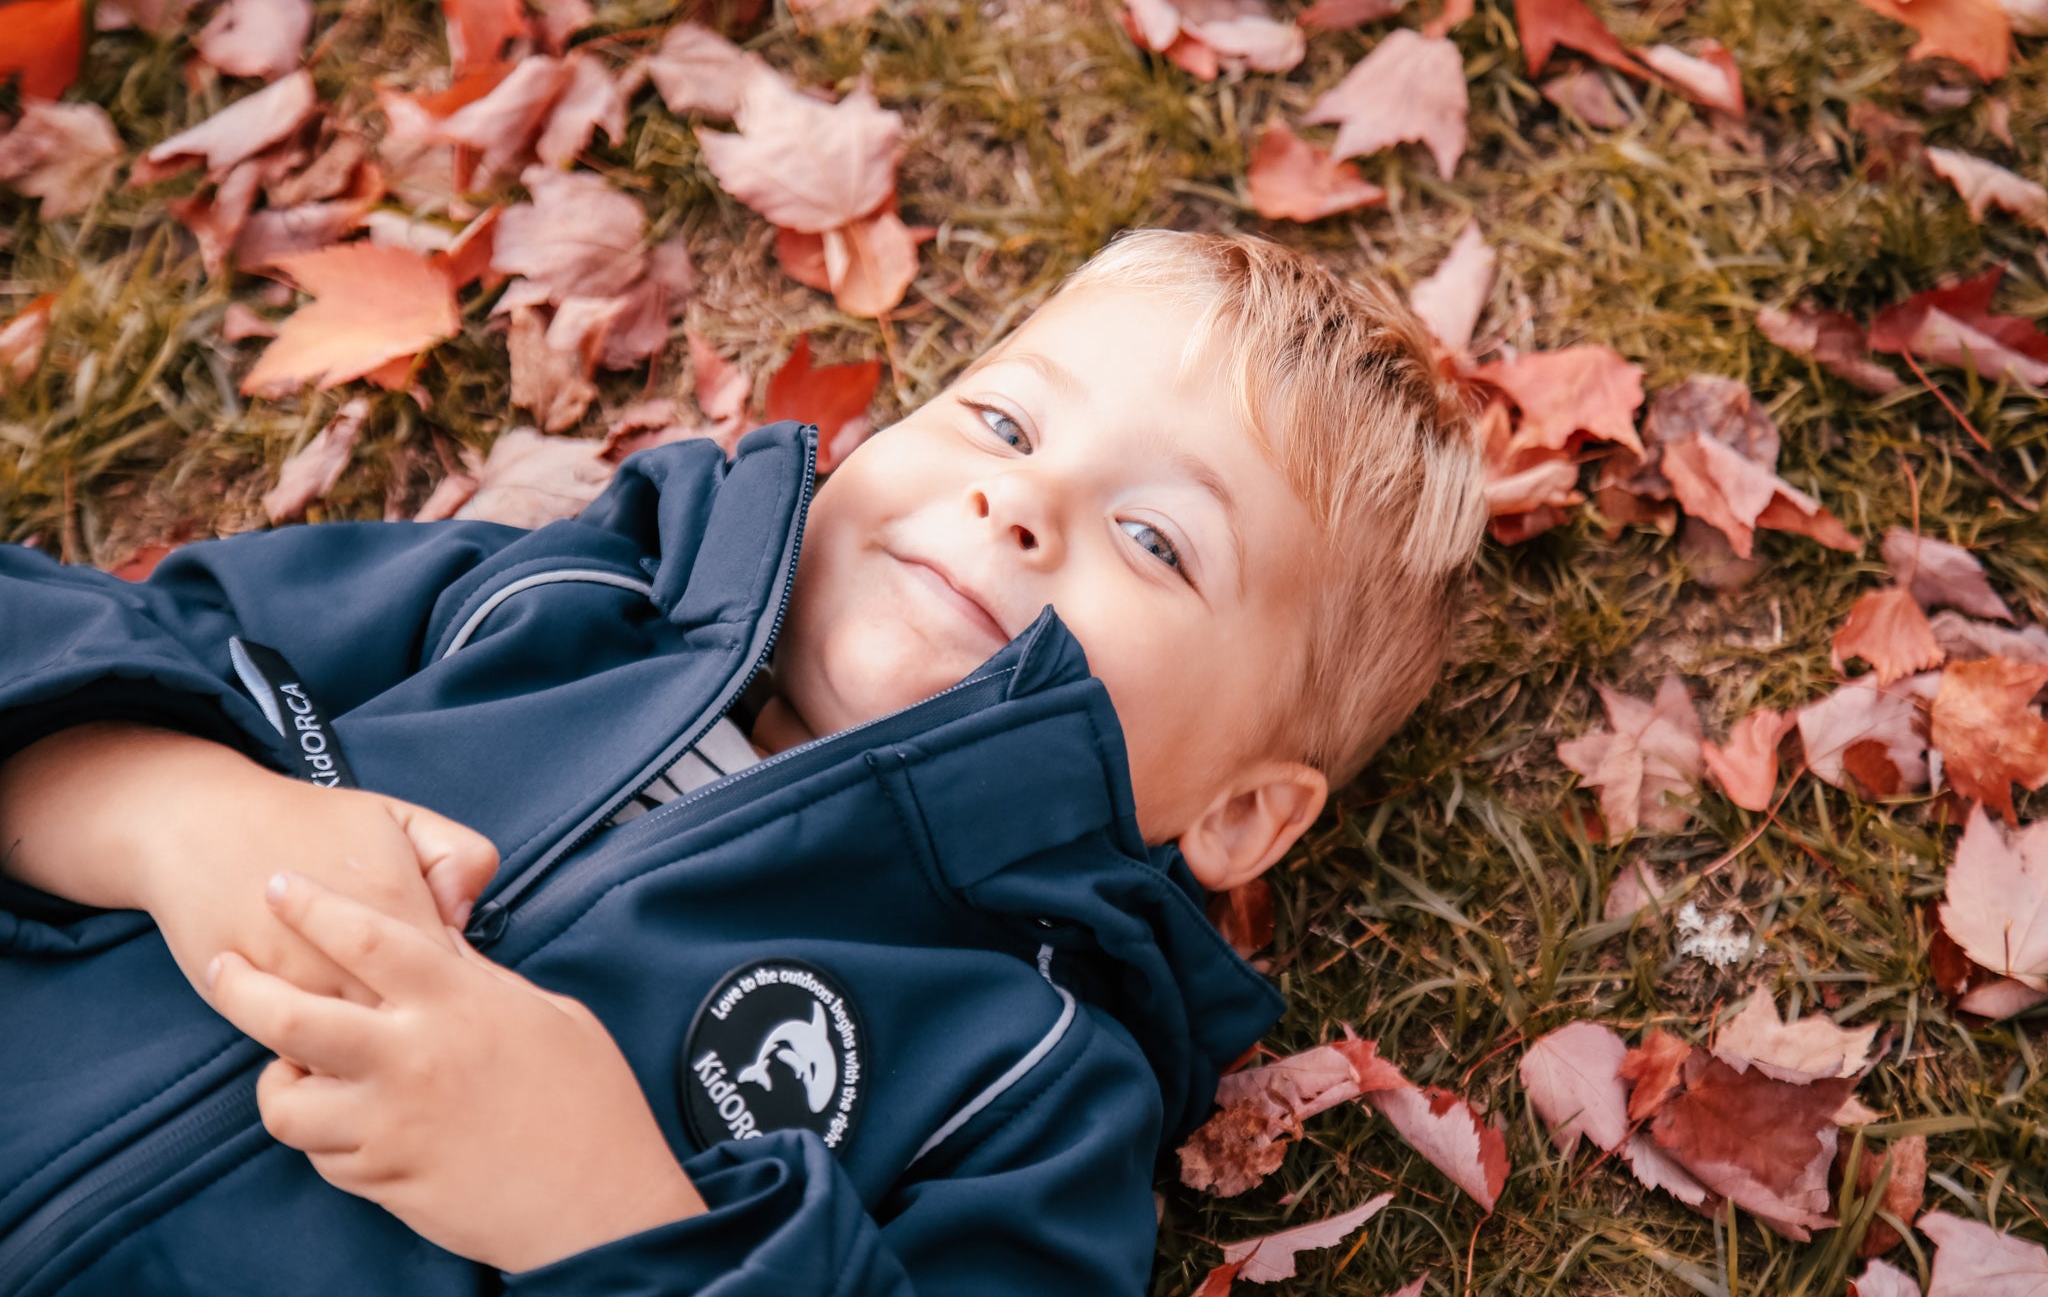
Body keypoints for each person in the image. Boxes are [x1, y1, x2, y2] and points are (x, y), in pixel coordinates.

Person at [0, 230, 1487, 1295]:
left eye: (1158, 540)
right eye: (1005, 417)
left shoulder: (1030, 1086)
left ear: (1236, 811)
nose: (1019, 498)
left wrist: (609, 1211)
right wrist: (162, 807)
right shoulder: (565, 600)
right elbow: (88, 631)